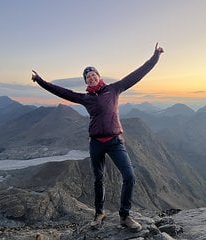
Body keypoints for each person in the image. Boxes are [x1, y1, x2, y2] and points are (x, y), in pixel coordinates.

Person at [32, 43, 164, 232]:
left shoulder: (115, 89)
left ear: (99, 76)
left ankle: (125, 216)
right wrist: (40, 80)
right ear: (86, 82)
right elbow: (62, 91)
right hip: (96, 143)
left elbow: (137, 74)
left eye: (93, 75)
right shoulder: (85, 98)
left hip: (115, 141)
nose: (91, 78)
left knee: (129, 176)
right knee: (98, 179)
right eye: (88, 77)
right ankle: (99, 213)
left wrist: (155, 57)